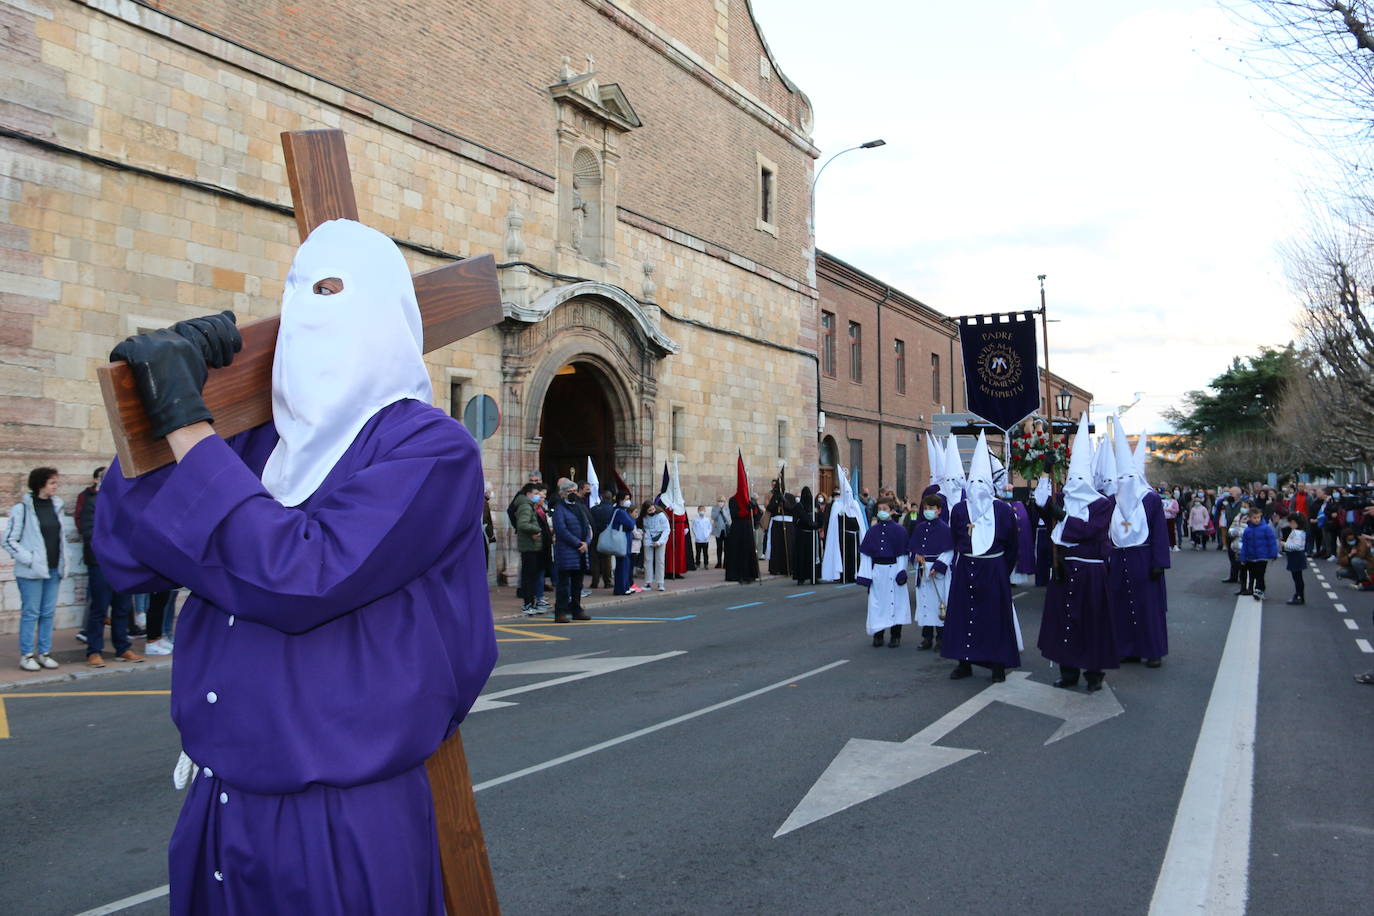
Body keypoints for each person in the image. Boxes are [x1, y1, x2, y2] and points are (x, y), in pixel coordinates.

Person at [94, 220, 497, 914]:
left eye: (332, 289)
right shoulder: (253, 443)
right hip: (220, 803)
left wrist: (189, 427)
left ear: (380, 308)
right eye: (297, 291)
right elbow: (125, 554)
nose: (310, 310)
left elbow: (303, 576)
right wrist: (157, 424)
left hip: (341, 817)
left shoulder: (430, 449)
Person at [1038, 415, 1118, 692]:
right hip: (1066, 567)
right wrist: (1046, 473)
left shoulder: (1102, 504)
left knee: (1092, 621)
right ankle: (1068, 670)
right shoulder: (1063, 499)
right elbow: (1040, 503)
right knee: (1065, 622)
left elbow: (1091, 531)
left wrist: (1063, 519)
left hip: (1091, 570)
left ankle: (1094, 673)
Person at [942, 432, 1020, 683]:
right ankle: (964, 662)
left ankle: (997, 664)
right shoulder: (959, 509)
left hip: (993, 567)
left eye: (981, 483)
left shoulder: (1003, 510)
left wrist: (999, 567)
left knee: (994, 617)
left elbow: (1012, 545)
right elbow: (955, 538)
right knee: (964, 615)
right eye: (972, 482)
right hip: (966, 566)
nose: (976, 489)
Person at [1105, 425, 1168, 669]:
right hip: (1119, 559)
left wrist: (1159, 563)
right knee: (1121, 605)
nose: (1125, 482)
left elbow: (1160, 533)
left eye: (1128, 477)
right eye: (1121, 478)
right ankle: (1127, 648)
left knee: (1148, 607)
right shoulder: (1112, 500)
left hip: (1144, 557)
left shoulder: (1151, 499)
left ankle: (1153, 651)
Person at [77, 467, 143, 667]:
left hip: (122, 563)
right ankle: (94, 651)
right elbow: (89, 532)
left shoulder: (125, 504)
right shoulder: (92, 503)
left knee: (122, 608)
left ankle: (122, 648)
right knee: (99, 609)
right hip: (101, 563)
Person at [5, 467, 67, 671]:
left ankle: (44, 653)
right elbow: (8, 540)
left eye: (56, 482)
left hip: (53, 569)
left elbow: (59, 538)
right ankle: (27, 655)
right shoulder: (22, 509)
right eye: (52, 483)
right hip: (31, 571)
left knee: (48, 613)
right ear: (41, 484)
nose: (56, 486)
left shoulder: (57, 505)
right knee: (31, 613)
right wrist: (29, 559)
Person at [857, 497, 911, 647]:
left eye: (885, 509)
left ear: (892, 511)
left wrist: (901, 571)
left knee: (896, 603)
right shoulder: (872, 531)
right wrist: (866, 575)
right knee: (878, 604)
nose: (881, 512)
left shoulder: (900, 531)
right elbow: (866, 555)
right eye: (879, 509)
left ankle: (895, 635)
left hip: (893, 570)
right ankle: (878, 634)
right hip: (878, 572)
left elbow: (902, 554)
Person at [909, 493, 954, 651]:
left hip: (937, 572)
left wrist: (938, 567)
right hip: (923, 570)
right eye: (926, 508)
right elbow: (913, 548)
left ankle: (941, 638)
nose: (928, 511)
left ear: (939, 510)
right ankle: (926, 637)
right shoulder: (920, 527)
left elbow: (949, 551)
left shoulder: (944, 528)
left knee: (940, 605)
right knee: (925, 605)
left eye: (931, 508)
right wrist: (917, 556)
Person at [552, 478, 592, 621]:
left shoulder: (579, 507)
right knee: (563, 585)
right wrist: (577, 543)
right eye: (570, 492)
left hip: (580, 551)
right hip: (566, 551)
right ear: (563, 494)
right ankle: (560, 611)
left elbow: (587, 526)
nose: (573, 494)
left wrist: (586, 542)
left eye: (575, 491)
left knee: (577, 584)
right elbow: (561, 530)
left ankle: (576, 609)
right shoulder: (559, 509)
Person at [515, 483, 545, 616]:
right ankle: (528, 603)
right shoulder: (525, 506)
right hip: (529, 546)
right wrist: (537, 529)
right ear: (528, 494)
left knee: (531, 575)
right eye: (535, 494)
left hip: (531, 546)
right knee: (528, 576)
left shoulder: (528, 505)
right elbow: (523, 524)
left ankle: (531, 602)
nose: (537, 496)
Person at [1238, 505, 1279, 599]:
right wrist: (1243, 558)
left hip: (1262, 556)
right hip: (1251, 557)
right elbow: (1245, 545)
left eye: (1258, 517)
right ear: (1249, 518)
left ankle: (1259, 590)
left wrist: (1273, 554)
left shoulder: (1266, 528)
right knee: (1254, 574)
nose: (1256, 520)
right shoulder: (1247, 531)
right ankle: (1260, 589)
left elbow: (1272, 542)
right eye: (1254, 518)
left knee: (1260, 574)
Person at [725, 493, 762, 584]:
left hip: (748, 529)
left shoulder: (750, 500)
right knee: (737, 551)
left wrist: (754, 507)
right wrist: (745, 509)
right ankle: (737, 574)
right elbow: (734, 514)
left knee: (748, 551)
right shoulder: (733, 500)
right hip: (737, 530)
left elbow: (757, 515)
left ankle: (749, 574)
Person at [588, 488, 616, 590]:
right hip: (607, 536)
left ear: (601, 497)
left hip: (595, 535)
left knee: (595, 560)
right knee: (606, 560)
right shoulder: (613, 510)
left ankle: (594, 582)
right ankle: (607, 582)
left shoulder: (594, 509)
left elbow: (590, 521)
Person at [792, 486, 820, 585]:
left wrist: (817, 524)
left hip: (812, 535)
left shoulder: (814, 505)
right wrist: (806, 522)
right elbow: (795, 521)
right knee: (802, 556)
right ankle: (801, 577)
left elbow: (819, 517)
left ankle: (814, 577)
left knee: (813, 556)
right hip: (802, 535)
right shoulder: (798, 506)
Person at [611, 495, 637, 595]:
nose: (628, 501)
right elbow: (630, 524)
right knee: (623, 566)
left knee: (623, 565)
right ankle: (622, 588)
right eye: (626, 499)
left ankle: (624, 586)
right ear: (621, 500)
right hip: (623, 542)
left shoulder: (617, 510)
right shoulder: (621, 512)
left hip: (623, 542)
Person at [641, 500, 669, 591]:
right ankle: (648, 582)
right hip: (649, 539)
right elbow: (646, 529)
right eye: (649, 510)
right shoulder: (644, 517)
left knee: (660, 561)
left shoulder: (661, 516)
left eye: (653, 509)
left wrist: (659, 542)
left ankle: (660, 583)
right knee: (648, 561)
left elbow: (666, 530)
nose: (652, 511)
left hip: (660, 538)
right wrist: (649, 540)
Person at [1282, 512, 1308, 605]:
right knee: (1297, 577)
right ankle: (1299, 595)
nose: (1289, 524)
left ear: (1294, 522)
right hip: (1296, 556)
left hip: (1296, 556)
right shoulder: (1300, 532)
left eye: (1290, 523)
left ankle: (1299, 596)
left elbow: (1296, 546)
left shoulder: (1297, 533)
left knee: (1297, 578)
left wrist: (1284, 544)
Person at [690, 505, 712, 570]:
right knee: (698, 553)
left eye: (702, 510)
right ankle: (697, 564)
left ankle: (706, 564)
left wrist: (707, 535)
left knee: (705, 553)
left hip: (705, 539)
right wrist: (696, 535)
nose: (701, 511)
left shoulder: (707, 520)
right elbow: (693, 528)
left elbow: (709, 528)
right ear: (698, 511)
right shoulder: (695, 519)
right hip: (698, 539)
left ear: (705, 511)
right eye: (700, 510)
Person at [710, 497, 729, 568]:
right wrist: (718, 510)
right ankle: (719, 562)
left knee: (726, 548)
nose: (720, 502)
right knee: (719, 547)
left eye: (722, 501)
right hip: (718, 531)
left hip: (725, 530)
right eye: (719, 501)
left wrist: (723, 510)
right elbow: (713, 517)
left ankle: (726, 563)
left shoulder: (727, 508)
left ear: (724, 502)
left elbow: (728, 518)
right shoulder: (714, 508)